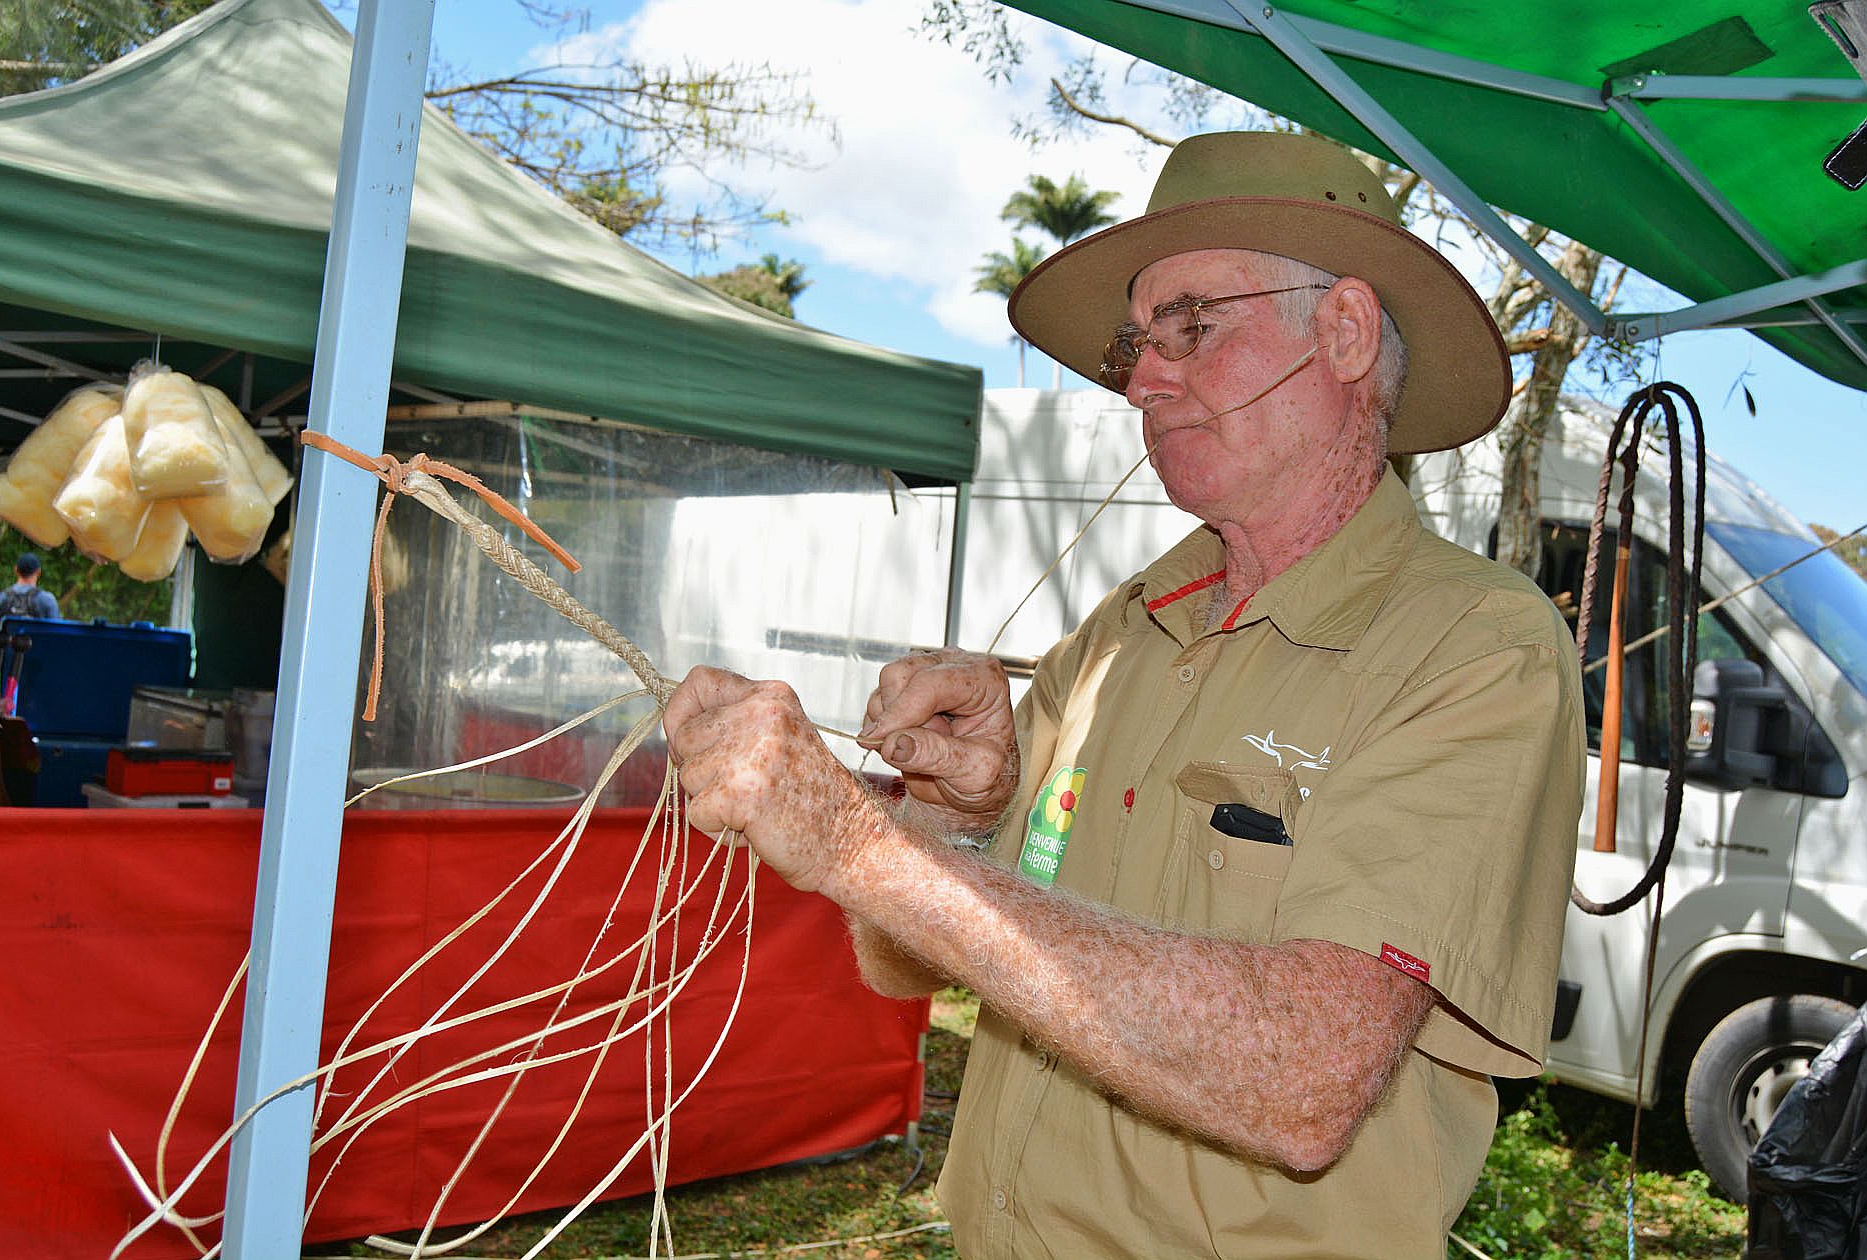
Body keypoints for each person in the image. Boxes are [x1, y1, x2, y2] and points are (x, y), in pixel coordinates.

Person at [662, 132, 1585, 1259]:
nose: (1143, 379)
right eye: (1135, 344)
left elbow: (1300, 1079)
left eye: (1193, 325)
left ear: (1342, 332)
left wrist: (860, 846)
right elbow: (900, 960)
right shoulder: (1125, 626)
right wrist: (952, 819)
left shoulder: (1474, 645)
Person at [0, 553, 59, 622]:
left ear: (16, 570)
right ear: (38, 572)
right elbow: (57, 629)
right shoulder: (47, 599)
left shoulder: (2, 597)